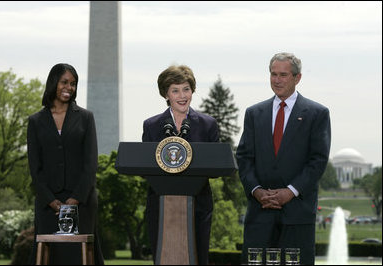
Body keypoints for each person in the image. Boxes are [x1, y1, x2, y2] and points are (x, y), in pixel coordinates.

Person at [236, 52, 331, 265]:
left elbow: (318, 160)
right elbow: (243, 157)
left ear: (297, 78)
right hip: (260, 213)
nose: (277, 80)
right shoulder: (254, 113)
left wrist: (290, 191)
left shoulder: (317, 113)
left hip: (297, 214)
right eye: (273, 74)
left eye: (283, 75)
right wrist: (257, 191)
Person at [27, 63, 104, 265]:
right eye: (64, 82)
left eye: (73, 83)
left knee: (80, 257)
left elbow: (90, 164)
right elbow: (35, 168)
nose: (69, 87)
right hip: (48, 204)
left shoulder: (86, 118)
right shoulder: (35, 121)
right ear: (53, 83)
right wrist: (52, 201)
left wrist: (74, 200)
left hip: (82, 201)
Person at [142, 65, 219, 264]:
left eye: (186, 89)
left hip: (198, 205)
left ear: (192, 90)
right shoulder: (151, 126)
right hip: (159, 204)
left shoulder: (208, 124)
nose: (182, 95)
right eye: (175, 90)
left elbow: (217, 165)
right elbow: (144, 165)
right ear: (166, 94)